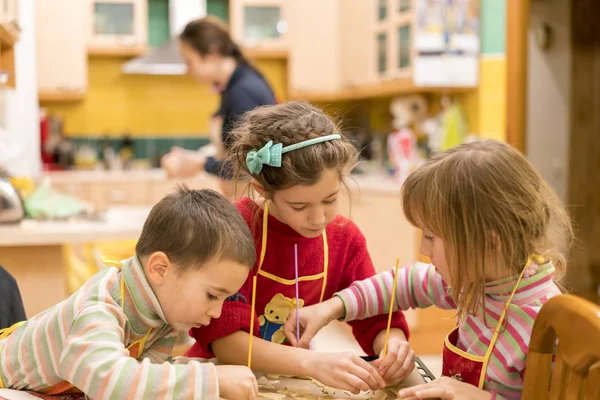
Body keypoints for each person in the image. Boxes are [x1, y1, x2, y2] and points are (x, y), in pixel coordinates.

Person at [284, 140, 574, 400]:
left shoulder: (546, 323)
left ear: (487, 242)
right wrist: (331, 308)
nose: (423, 248)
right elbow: (402, 285)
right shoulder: (474, 279)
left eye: (432, 237)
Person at [184, 102, 414, 392]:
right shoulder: (232, 229)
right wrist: (312, 363)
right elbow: (225, 341)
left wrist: (393, 346)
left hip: (289, 380)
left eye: (330, 200)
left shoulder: (344, 239)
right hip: (218, 379)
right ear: (262, 189)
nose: (318, 218)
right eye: (299, 205)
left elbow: (376, 314)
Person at [0, 188, 261, 400]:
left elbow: (148, 381)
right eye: (212, 295)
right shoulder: (98, 308)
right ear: (160, 269)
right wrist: (211, 381)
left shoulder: (162, 314)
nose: (216, 312)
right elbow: (110, 384)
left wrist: (210, 373)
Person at [161, 17, 276, 198]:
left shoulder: (242, 91)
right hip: (246, 198)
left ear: (212, 54)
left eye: (189, 61)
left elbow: (251, 166)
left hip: (255, 200)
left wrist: (200, 164)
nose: (186, 69)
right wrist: (195, 159)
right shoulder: (235, 85)